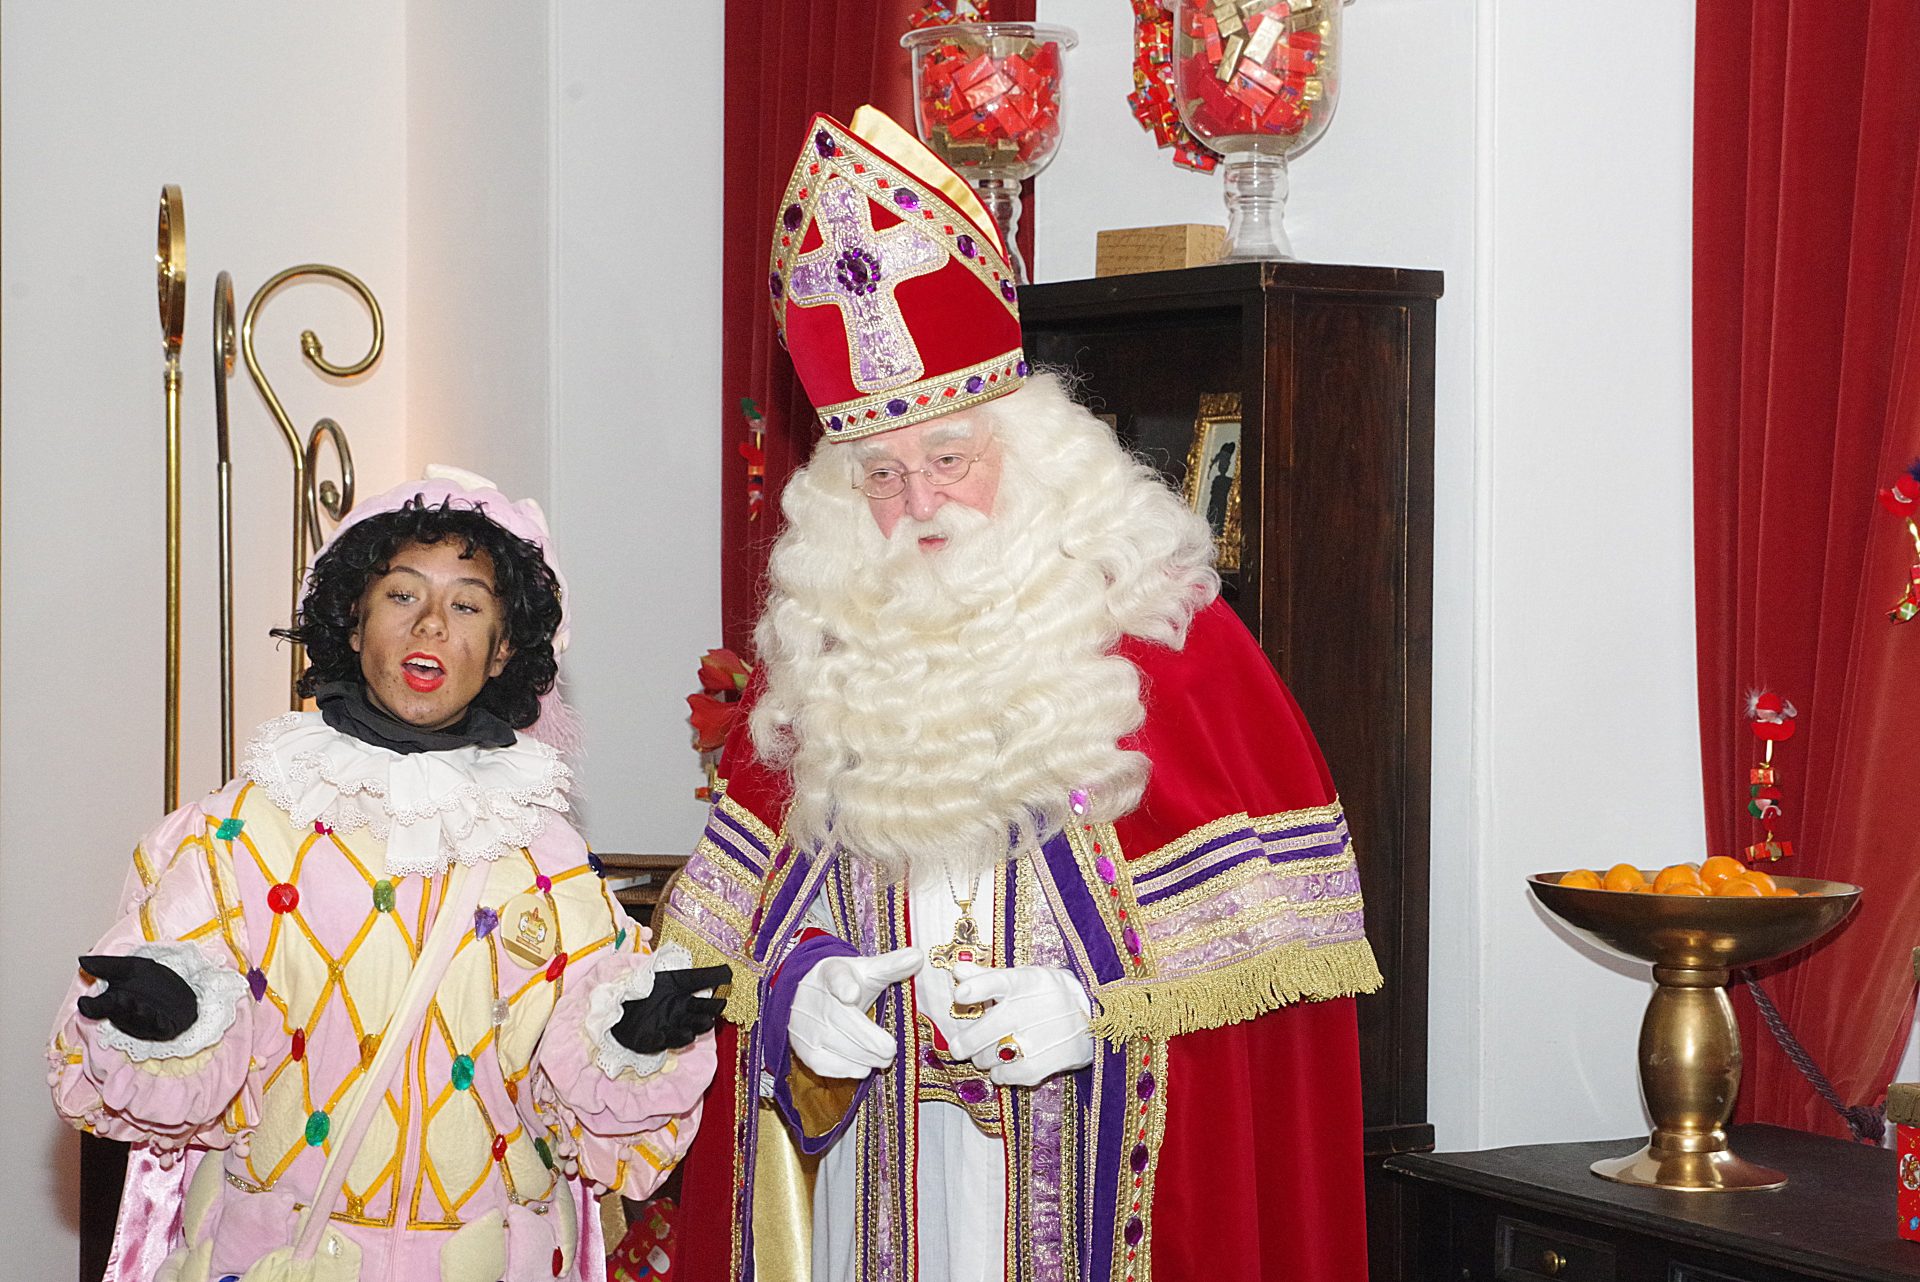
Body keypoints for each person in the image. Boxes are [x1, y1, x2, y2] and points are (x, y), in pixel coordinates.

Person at [660, 107, 1382, 1282]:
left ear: (1034, 450)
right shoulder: (819, 662)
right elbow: (736, 944)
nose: (919, 503)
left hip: (1070, 1173)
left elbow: (1272, 988)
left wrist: (1095, 1014)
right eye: (881, 474)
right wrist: (798, 993)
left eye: (950, 459)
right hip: (866, 1184)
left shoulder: (1172, 646)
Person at [49, 468, 725, 1280]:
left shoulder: (544, 855)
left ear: (503, 649)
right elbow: (154, 1076)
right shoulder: (242, 831)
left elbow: (579, 1104)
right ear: (354, 621)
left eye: (468, 606)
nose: (431, 623)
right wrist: (164, 1021)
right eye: (403, 595)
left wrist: (627, 1039)